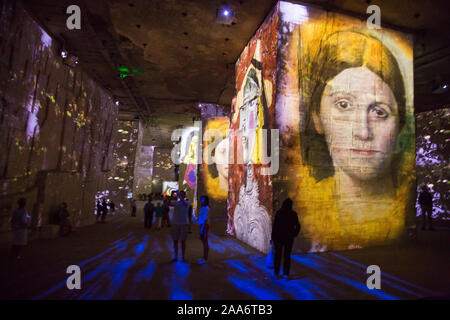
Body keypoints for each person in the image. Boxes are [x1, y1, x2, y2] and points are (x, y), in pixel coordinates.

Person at [271, 198, 300, 280]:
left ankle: (276, 274)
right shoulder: (293, 214)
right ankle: (286, 274)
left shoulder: (279, 213)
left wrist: (272, 237)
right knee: (287, 256)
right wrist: (294, 234)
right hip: (288, 238)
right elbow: (298, 226)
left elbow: (275, 226)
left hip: (278, 238)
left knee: (278, 256)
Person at [169, 190, 190, 262]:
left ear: (184, 196)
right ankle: (175, 256)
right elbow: (168, 203)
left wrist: (179, 196)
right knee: (175, 240)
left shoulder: (187, 202)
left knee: (183, 241)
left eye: (182, 194)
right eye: (180, 194)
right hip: (175, 223)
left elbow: (184, 204)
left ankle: (183, 257)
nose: (180, 195)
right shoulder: (176, 203)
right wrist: (171, 195)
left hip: (184, 223)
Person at [193, 195, 210, 263]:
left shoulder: (206, 208)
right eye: (201, 199)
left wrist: (201, 230)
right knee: (203, 241)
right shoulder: (203, 208)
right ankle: (204, 257)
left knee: (205, 241)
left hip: (204, 226)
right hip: (202, 226)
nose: (201, 201)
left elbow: (205, 220)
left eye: (203, 200)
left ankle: (205, 258)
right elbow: (202, 218)